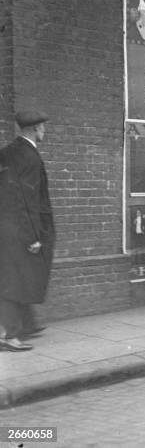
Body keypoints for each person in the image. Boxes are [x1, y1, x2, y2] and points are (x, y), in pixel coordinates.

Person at [0, 111, 55, 351]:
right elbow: (27, 200)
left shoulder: (8, 151)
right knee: (17, 280)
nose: (45, 131)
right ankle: (9, 336)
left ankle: (26, 325)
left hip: (7, 228)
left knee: (17, 276)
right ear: (35, 129)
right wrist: (32, 236)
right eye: (43, 127)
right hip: (22, 231)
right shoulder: (30, 157)